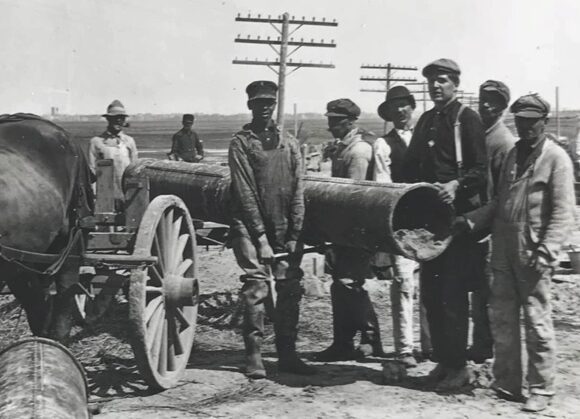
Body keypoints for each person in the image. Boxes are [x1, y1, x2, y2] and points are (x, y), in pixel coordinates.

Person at [460, 94, 575, 412]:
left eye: (531, 121)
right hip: (504, 251)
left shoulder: (556, 159)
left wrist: (548, 250)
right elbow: (500, 202)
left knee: (537, 322)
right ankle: (508, 382)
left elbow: (565, 214)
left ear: (544, 121)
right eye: (520, 121)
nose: (525, 126)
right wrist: (470, 222)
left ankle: (542, 388)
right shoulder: (512, 155)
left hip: (533, 252)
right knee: (502, 318)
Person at [402, 58, 488, 390]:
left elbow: (480, 171)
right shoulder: (426, 120)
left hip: (455, 223)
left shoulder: (467, 119)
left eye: (442, 81)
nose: (435, 87)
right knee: (432, 295)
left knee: (453, 295)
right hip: (428, 224)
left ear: (455, 84)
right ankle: (444, 362)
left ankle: (460, 369)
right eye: (431, 82)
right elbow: (409, 169)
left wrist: (457, 184)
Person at [228, 80, 316, 379]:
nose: (265, 107)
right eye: (259, 103)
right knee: (257, 287)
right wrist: (261, 239)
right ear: (250, 105)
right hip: (250, 227)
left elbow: (298, 189)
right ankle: (254, 355)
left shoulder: (289, 143)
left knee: (289, 286)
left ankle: (288, 354)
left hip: (284, 225)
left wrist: (294, 235)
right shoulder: (241, 143)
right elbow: (245, 191)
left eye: (269, 102)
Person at [315, 98, 385, 362]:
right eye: (330, 119)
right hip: (344, 229)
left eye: (336, 120)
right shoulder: (342, 148)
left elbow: (352, 198)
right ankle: (343, 342)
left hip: (355, 230)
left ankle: (370, 338)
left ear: (350, 122)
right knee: (341, 286)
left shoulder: (358, 152)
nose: (331, 125)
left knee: (349, 284)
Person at [373, 86, 429, 368]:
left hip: (430, 223)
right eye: (394, 107)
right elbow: (383, 190)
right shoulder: (383, 145)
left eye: (404, 105)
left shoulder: (427, 138)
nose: (400, 111)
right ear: (389, 113)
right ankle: (405, 348)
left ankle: (430, 345)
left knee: (431, 283)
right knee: (404, 284)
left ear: (412, 107)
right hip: (402, 225)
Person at [468, 80, 517, 363]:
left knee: (489, 294)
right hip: (474, 226)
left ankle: (487, 350)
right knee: (477, 293)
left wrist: (483, 223)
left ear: (502, 107)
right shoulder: (478, 134)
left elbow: (501, 195)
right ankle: (479, 345)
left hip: (489, 228)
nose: (485, 105)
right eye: (483, 99)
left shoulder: (503, 142)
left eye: (493, 101)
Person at [88, 99, 138, 206]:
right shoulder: (96, 142)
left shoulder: (129, 141)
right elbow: (92, 170)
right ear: (108, 119)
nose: (118, 122)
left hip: (126, 191)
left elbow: (135, 168)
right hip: (105, 192)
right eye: (114, 119)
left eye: (121, 119)